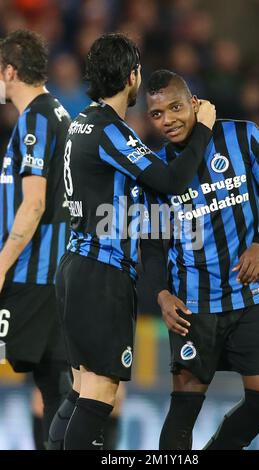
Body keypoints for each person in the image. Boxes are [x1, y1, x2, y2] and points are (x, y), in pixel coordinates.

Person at [52, 33, 216, 450]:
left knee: (83, 387)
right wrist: (203, 131)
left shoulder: (80, 123)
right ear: (132, 77)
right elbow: (170, 180)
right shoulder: (110, 130)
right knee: (101, 393)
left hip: (77, 267)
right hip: (101, 273)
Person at [141, 69, 259, 450]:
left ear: (195, 104)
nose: (168, 120)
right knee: (184, 408)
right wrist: (161, 294)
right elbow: (153, 243)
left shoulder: (242, 136)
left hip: (249, 296)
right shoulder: (156, 168)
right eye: (157, 114)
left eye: (175, 107)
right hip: (194, 305)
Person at [0, 29, 71, 446]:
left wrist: (3, 262)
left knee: (55, 384)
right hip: (52, 275)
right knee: (54, 382)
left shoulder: (37, 119)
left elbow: (34, 203)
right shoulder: (56, 113)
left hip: (32, 274)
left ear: (10, 71)